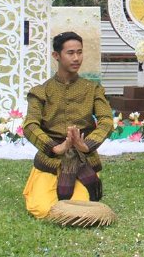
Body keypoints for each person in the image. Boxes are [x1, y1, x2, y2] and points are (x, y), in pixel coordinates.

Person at [22, 32, 114, 219]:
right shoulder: (41, 91)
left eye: (79, 52)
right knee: (41, 209)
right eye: (70, 53)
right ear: (56, 55)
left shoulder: (93, 89)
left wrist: (86, 145)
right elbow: (30, 125)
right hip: (50, 159)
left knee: (79, 210)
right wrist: (55, 147)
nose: (76, 58)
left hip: (83, 159)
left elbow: (106, 120)